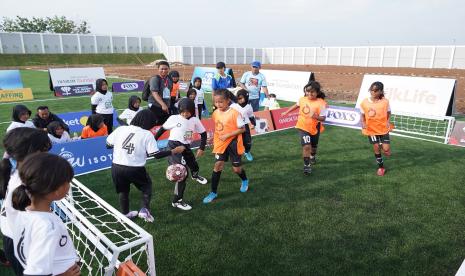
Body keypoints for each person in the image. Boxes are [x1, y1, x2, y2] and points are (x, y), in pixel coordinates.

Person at [106, 110, 185, 222]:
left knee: (123, 191)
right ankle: (144, 209)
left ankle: (125, 214)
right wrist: (173, 151)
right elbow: (156, 155)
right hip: (135, 168)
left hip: (116, 167)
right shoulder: (147, 134)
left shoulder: (121, 129)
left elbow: (108, 145)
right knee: (146, 187)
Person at [11, 153, 80, 276]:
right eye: (68, 181)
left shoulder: (24, 209)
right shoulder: (47, 227)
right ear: (57, 190)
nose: (69, 185)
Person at [0, 128, 52, 275]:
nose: (47, 155)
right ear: (33, 153)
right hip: (22, 241)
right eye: (44, 150)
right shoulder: (28, 185)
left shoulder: (15, 171)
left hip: (12, 234)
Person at [155, 98, 208, 211]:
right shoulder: (174, 118)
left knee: (194, 165)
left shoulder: (194, 120)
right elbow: (162, 130)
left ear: (192, 111)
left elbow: (203, 134)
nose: (185, 114)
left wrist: (202, 148)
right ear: (179, 110)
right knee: (182, 172)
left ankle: (195, 175)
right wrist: (153, 140)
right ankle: (177, 201)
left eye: (188, 111)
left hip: (186, 146)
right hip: (174, 146)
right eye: (183, 111)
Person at [203, 89, 249, 204]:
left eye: (221, 102)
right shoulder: (215, 113)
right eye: (216, 102)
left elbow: (242, 129)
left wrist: (228, 135)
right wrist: (213, 137)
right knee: (218, 165)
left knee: (236, 169)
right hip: (220, 143)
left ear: (228, 101)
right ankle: (213, 192)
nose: (218, 104)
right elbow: (219, 127)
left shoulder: (235, 113)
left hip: (233, 143)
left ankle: (244, 180)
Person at [281, 81, 327, 175]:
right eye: (307, 91)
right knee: (306, 146)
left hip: (315, 127)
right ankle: (307, 165)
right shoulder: (302, 99)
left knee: (313, 147)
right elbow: (296, 105)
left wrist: (315, 116)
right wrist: (286, 112)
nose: (309, 94)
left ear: (317, 92)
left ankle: (312, 156)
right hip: (303, 126)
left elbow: (323, 118)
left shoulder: (322, 103)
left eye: (312, 92)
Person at [360, 81, 392, 176]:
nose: (372, 92)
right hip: (371, 129)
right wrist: (363, 122)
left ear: (380, 92)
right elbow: (362, 114)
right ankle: (381, 168)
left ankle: (385, 148)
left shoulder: (385, 102)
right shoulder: (365, 102)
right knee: (376, 147)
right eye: (371, 90)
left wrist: (387, 121)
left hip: (383, 128)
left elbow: (389, 112)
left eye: (375, 91)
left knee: (386, 149)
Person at [231, 89, 256, 161]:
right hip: (235, 127)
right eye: (238, 98)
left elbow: (251, 116)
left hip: (245, 126)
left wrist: (253, 124)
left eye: (242, 98)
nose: (240, 100)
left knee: (248, 142)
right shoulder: (233, 106)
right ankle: (236, 159)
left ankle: (247, 152)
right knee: (235, 144)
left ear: (246, 97)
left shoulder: (249, 107)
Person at [148, 61, 172, 125]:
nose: (164, 70)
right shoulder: (155, 79)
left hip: (166, 107)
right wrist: (163, 104)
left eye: (166, 69)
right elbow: (154, 93)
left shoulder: (169, 79)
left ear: (169, 69)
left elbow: (169, 92)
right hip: (156, 106)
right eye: (162, 69)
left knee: (165, 125)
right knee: (155, 126)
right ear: (158, 69)